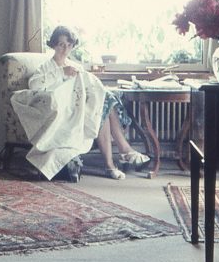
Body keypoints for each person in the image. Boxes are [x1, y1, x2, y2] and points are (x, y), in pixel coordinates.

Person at [11, 26, 149, 182]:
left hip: (81, 108)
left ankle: (115, 160)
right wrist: (62, 73)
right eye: (61, 44)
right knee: (104, 106)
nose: (65, 49)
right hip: (65, 112)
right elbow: (35, 85)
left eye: (69, 45)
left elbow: (88, 87)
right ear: (54, 45)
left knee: (102, 102)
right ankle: (120, 155)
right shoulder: (46, 67)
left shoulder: (75, 66)